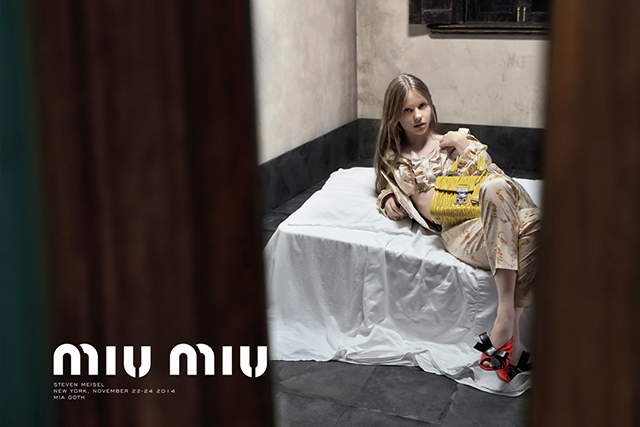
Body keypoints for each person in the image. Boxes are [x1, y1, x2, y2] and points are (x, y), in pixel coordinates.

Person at [373, 74, 540, 382]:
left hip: (494, 210)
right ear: (394, 116)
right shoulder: (396, 162)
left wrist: (463, 144)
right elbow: (387, 188)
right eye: (407, 110)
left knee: (500, 190)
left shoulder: (454, 141)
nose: (418, 116)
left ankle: (505, 321)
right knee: (534, 225)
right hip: (461, 231)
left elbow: (490, 172)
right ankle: (512, 331)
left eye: (422, 106)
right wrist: (387, 198)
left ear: (431, 105)